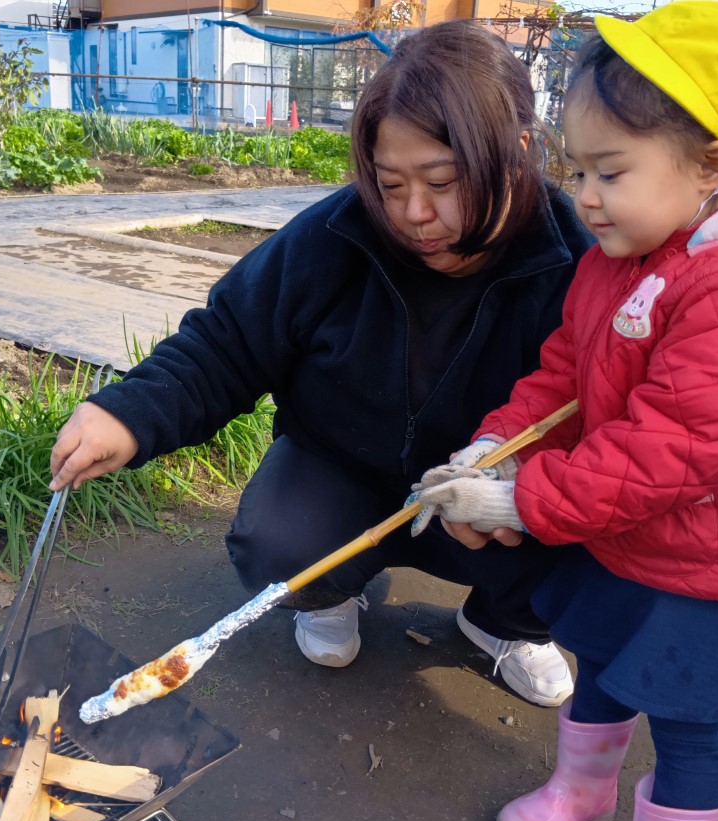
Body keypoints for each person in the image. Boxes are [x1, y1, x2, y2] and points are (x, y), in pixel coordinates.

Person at [411, 3, 718, 821]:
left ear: (711, 170)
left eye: (609, 171)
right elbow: (566, 378)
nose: (582, 195)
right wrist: (497, 443)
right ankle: (582, 792)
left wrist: (519, 502)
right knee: (605, 673)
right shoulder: (619, 259)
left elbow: (678, 448)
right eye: (577, 168)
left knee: (690, 726)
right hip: (631, 538)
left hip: (716, 560)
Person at [48, 20, 593, 707]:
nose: (415, 214)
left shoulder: (577, 263)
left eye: (443, 182)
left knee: (591, 543)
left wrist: (519, 477)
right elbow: (228, 340)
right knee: (277, 540)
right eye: (391, 185)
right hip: (347, 472)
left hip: (490, 495)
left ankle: (503, 625)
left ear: (517, 151)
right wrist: (126, 414)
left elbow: (615, 413)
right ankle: (328, 591)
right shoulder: (338, 235)